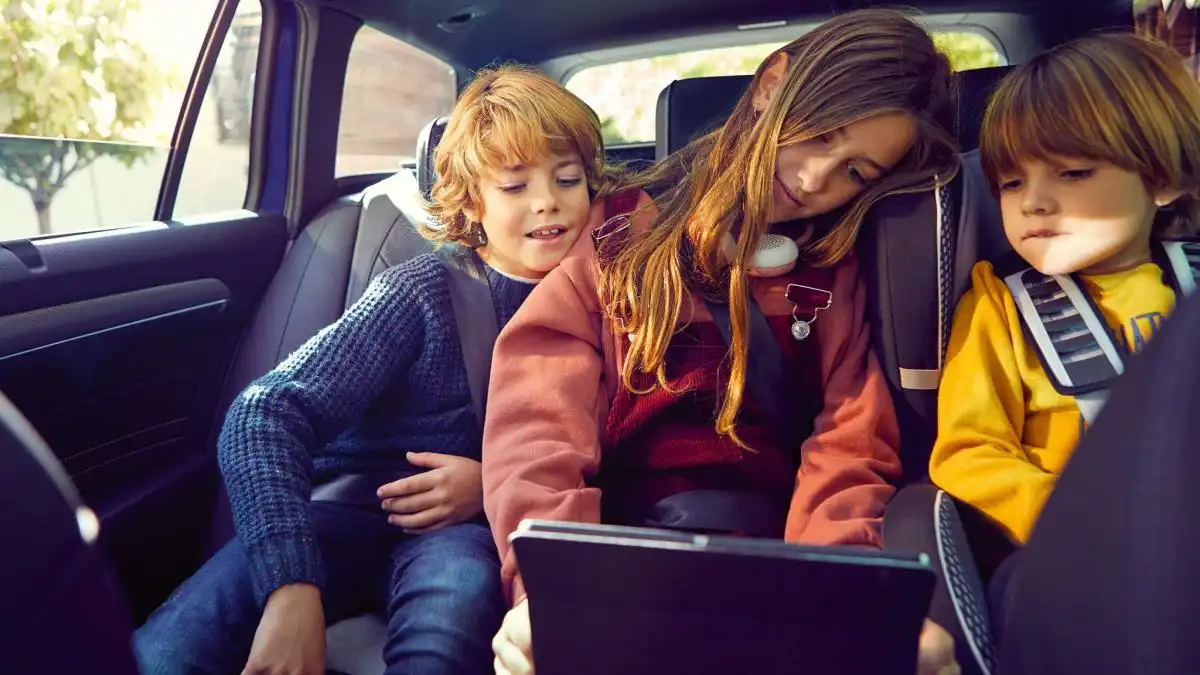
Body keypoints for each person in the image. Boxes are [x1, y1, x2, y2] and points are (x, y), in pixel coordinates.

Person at [480, 9, 961, 675]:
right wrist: (548, 585)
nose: (816, 178)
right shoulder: (617, 235)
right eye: (820, 134)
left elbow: (848, 447)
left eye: (855, 171)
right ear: (771, 85)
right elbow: (539, 427)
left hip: (772, 562)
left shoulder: (835, 274)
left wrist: (840, 590)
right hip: (617, 558)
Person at [132, 63, 622, 675]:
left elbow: (619, 450)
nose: (547, 200)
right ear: (473, 201)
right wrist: (290, 590)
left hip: (461, 530)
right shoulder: (420, 293)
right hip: (341, 510)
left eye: (567, 179)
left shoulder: (614, 302)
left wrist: (491, 485)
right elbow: (264, 413)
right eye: (514, 186)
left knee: (451, 619)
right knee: (169, 649)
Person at [927, 32, 1200, 641]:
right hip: (1071, 560)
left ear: (1163, 179)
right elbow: (968, 453)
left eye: (1073, 172)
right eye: (1011, 184)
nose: (1034, 203)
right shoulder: (1000, 306)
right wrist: (1079, 527)